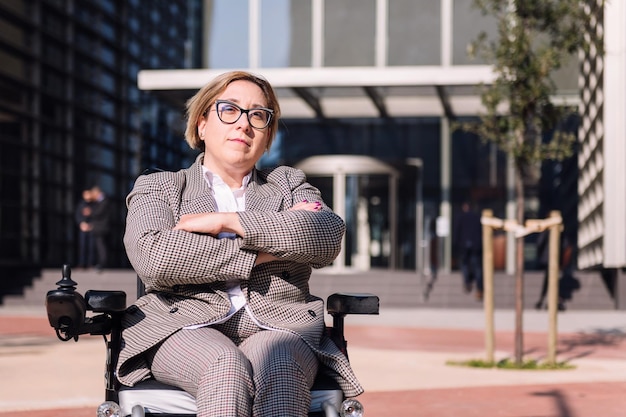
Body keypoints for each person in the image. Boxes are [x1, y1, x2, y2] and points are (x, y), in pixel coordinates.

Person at [116, 71, 362, 416]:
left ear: (267, 136)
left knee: (279, 365)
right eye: (229, 110)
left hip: (281, 324)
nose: (243, 124)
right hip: (183, 325)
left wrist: (227, 222)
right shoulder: (160, 187)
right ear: (202, 124)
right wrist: (268, 249)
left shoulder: (288, 184)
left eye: (258, 115)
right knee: (225, 365)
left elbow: (325, 234)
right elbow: (156, 257)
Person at [454, 201, 483, 300]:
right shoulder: (477, 217)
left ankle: (467, 283)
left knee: (465, 265)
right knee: (477, 267)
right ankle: (479, 289)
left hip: (464, 246)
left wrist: (456, 245)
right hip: (476, 246)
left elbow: (457, 232)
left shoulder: (460, 217)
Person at [89, 186, 112, 271]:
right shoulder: (100, 201)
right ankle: (101, 262)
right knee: (100, 246)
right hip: (100, 227)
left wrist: (90, 212)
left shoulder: (104, 201)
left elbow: (99, 212)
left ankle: (103, 263)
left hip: (102, 228)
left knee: (101, 246)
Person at [75, 188, 94, 268]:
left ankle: (91, 263)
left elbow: (97, 216)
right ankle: (82, 263)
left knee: (91, 247)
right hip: (83, 228)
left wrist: (91, 225)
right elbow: (77, 215)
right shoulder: (81, 204)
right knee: (82, 247)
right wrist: (81, 223)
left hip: (91, 228)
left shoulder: (94, 204)